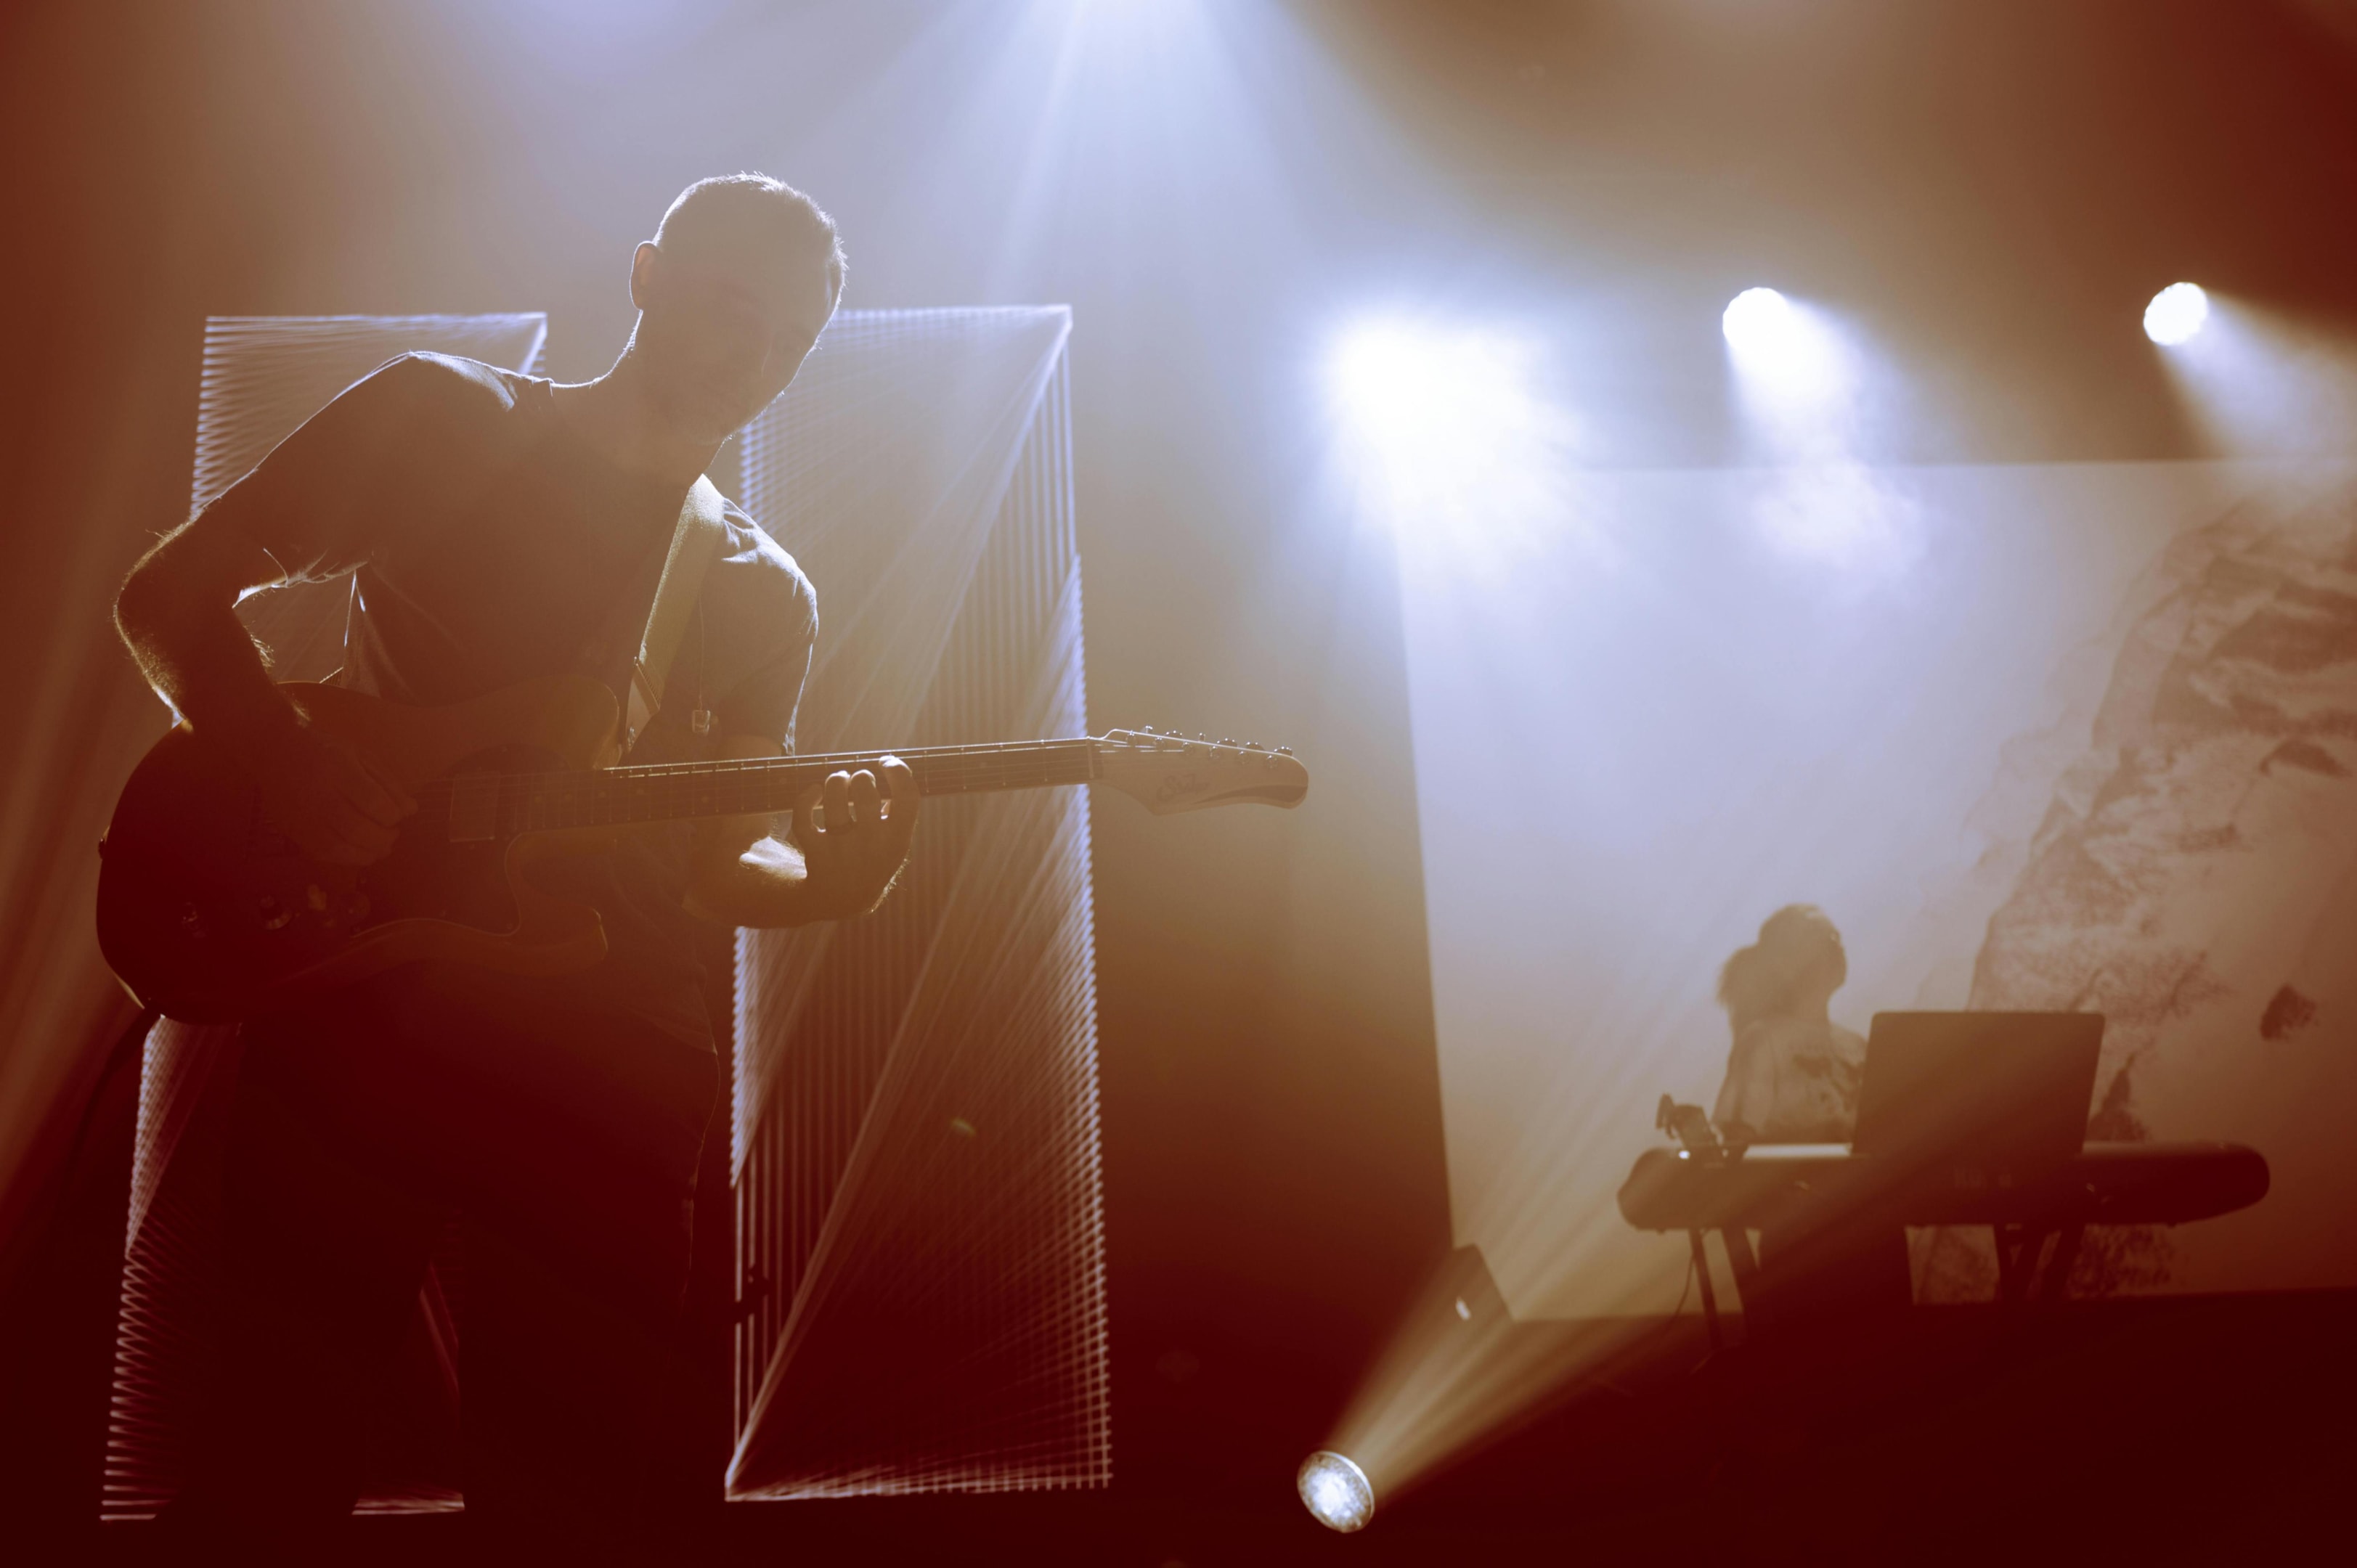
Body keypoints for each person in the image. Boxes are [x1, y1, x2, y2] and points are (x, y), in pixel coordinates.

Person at [112, 173, 915, 1550]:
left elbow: (724, 861)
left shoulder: (760, 590)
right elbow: (167, 595)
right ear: (647, 274)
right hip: (371, 1008)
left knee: (572, 1511)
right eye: (732, 307)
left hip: (618, 1068)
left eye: (790, 339)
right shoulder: (446, 417)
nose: (756, 356)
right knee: (266, 1470)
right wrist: (289, 759)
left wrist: (842, 878)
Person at [1709, 906, 1909, 1328]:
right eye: (1823, 939)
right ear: (1786, 960)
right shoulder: (1763, 1039)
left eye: (1838, 939)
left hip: (1874, 1228)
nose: (1837, 947)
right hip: (1804, 1239)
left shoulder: (1857, 1045)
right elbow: (1738, 1148)